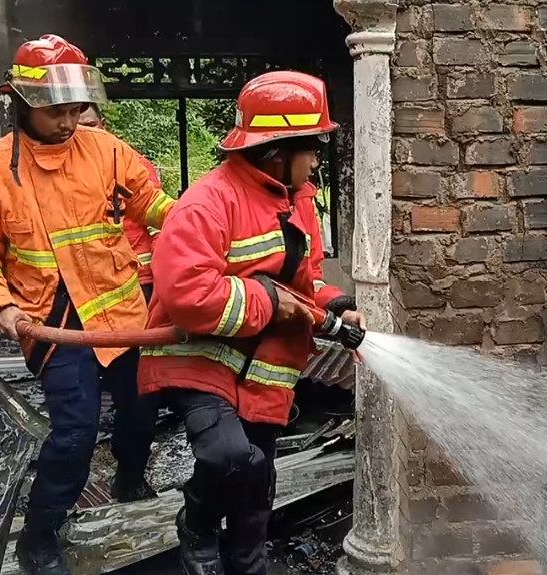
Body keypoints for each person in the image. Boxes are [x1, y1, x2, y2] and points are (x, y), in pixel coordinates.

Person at [0, 34, 177, 575]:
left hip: (122, 314)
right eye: (56, 110)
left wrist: (205, 225)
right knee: (74, 432)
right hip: (54, 326)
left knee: (142, 410)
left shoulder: (109, 150)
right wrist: (0, 306)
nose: (69, 120)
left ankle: (129, 478)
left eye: (75, 108)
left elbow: (153, 205)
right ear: (21, 101)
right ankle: (40, 537)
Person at [138, 71, 365, 575]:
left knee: (256, 487)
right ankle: (196, 522)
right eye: (313, 149)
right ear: (278, 150)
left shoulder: (298, 199)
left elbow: (301, 284)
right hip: (200, 360)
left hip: (265, 371)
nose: (317, 160)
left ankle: (249, 565)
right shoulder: (207, 203)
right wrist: (267, 302)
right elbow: (187, 296)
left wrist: (332, 303)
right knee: (230, 458)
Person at [77, 104, 161, 302]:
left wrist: (163, 272)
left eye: (91, 125)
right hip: (96, 282)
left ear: (103, 125)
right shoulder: (67, 169)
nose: (85, 133)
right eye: (78, 128)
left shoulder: (131, 162)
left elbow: (158, 223)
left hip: (140, 278)